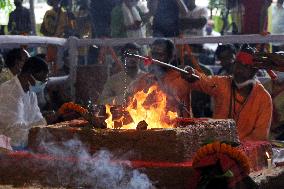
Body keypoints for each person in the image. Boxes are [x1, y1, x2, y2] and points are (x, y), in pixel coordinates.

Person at [183, 45, 272, 141]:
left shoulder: (263, 98)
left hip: (247, 152)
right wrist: (192, 75)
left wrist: (238, 150)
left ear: (254, 70)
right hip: (216, 145)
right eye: (238, 64)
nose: (239, 70)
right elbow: (203, 81)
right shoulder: (222, 83)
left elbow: (259, 137)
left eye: (245, 66)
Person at [131, 38, 192, 117]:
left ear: (170, 56)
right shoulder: (144, 80)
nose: (155, 58)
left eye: (160, 54)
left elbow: (177, 105)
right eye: (153, 54)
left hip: (179, 126)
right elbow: (135, 108)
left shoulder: (181, 77)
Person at [0, 56, 49, 149]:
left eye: (45, 81)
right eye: (41, 81)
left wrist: (48, 121)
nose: (43, 84)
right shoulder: (9, 93)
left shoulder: (31, 92)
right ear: (28, 75)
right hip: (6, 147)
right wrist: (45, 121)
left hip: (22, 143)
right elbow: (14, 134)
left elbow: (36, 117)